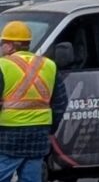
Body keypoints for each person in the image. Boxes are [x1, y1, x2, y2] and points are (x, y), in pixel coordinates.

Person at [0, 20, 64, 182]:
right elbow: (60, 103)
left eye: (2, 43)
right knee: (32, 177)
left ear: (9, 46)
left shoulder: (3, 66)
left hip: (9, 134)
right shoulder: (49, 65)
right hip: (39, 134)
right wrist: (50, 128)